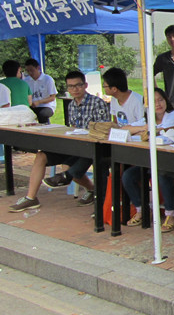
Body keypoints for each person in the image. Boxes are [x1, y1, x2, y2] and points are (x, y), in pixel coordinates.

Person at [9, 71, 110, 212]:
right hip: (74, 145)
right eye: (71, 86)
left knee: (69, 169)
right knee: (41, 155)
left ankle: (80, 184)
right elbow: (72, 127)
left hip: (92, 145)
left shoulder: (97, 103)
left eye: (78, 85)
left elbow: (104, 129)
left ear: (85, 85)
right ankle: (31, 198)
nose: (75, 89)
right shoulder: (71, 105)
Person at [123, 88, 174, 229]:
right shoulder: (147, 119)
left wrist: (144, 130)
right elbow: (125, 129)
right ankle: (142, 210)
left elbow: (159, 131)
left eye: (160, 100)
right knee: (128, 176)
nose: (158, 104)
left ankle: (171, 214)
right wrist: (144, 127)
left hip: (173, 161)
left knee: (161, 174)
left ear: (166, 100)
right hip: (151, 160)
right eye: (153, 101)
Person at [23, 58, 56, 123]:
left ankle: (45, 127)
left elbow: (52, 97)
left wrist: (39, 102)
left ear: (38, 68)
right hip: (32, 106)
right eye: (27, 71)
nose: (30, 73)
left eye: (32, 70)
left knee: (42, 114)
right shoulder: (26, 81)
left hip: (47, 106)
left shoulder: (48, 79)